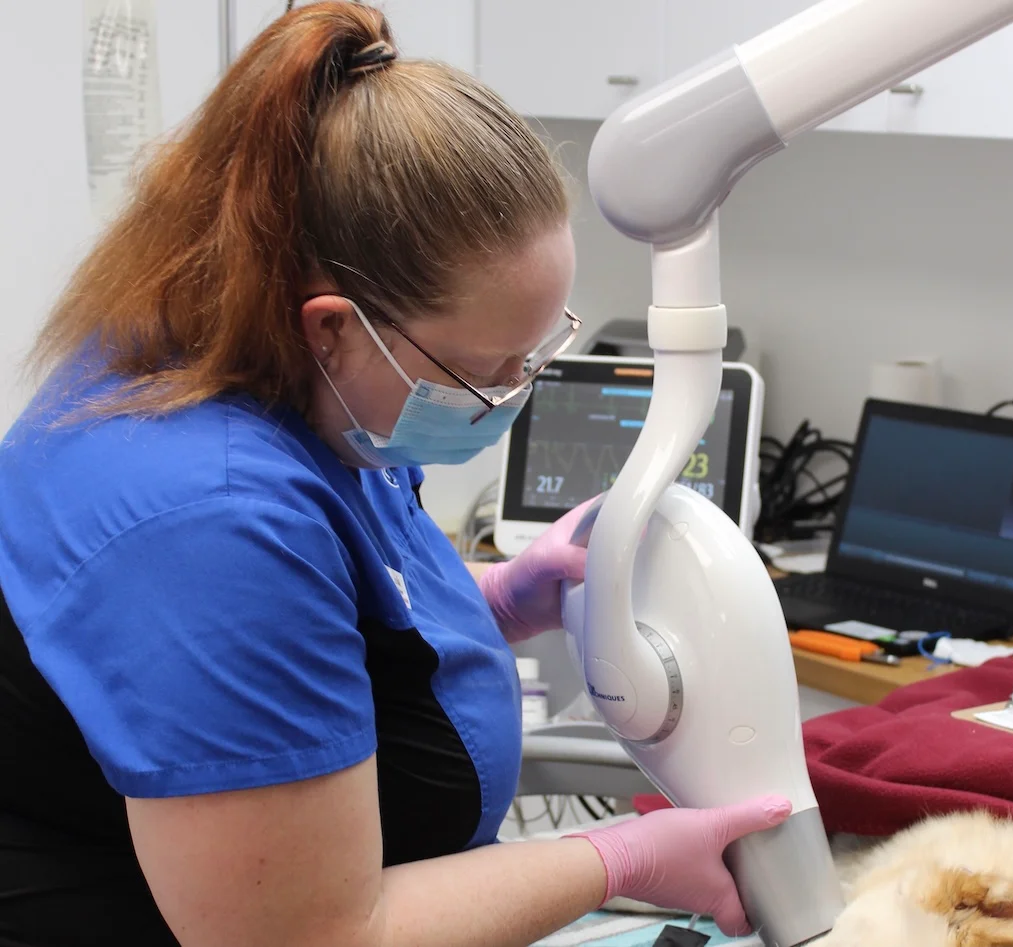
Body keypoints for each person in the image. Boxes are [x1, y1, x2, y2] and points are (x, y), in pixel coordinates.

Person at [0, 4, 790, 946]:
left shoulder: (298, 387)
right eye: (481, 371)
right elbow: (313, 937)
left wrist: (499, 597)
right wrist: (622, 858)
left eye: (535, 353)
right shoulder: (206, 520)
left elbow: (336, 632)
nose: (509, 398)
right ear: (332, 325)